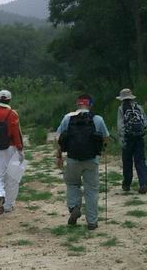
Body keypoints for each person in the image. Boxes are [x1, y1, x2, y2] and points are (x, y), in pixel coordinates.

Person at [55, 94, 110, 230]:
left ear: (77, 104)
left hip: (72, 159)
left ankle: (74, 207)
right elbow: (106, 138)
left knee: (72, 184)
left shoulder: (67, 118)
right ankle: (92, 222)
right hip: (91, 160)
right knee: (91, 190)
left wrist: (59, 156)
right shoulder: (98, 119)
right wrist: (102, 148)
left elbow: (58, 138)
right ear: (90, 104)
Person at [0, 89, 24, 215]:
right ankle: (8, 205)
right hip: (11, 148)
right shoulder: (13, 113)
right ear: (9, 100)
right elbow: (16, 133)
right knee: (12, 177)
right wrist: (20, 148)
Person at [116, 88, 147, 194]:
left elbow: (120, 125)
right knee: (140, 161)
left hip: (128, 138)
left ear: (122, 99)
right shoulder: (139, 107)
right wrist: (142, 133)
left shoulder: (121, 109)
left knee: (127, 162)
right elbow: (145, 121)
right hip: (139, 137)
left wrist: (121, 139)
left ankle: (126, 184)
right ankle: (143, 183)